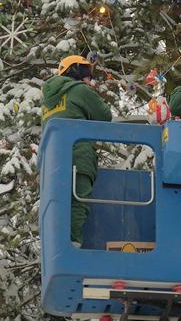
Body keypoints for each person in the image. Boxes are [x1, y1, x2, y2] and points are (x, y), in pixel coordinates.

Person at [41, 55, 112, 246]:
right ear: (76, 71)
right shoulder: (80, 90)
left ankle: (56, 244)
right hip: (78, 154)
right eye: (87, 72)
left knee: (58, 202)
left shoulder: (48, 102)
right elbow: (105, 116)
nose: (89, 78)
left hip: (52, 161)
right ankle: (72, 245)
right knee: (78, 198)